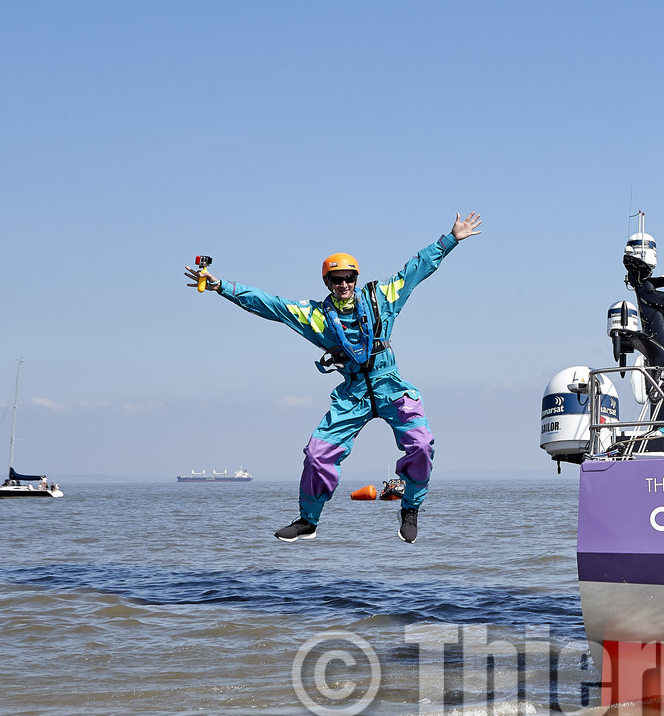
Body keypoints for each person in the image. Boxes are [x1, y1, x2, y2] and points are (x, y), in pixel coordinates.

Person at [184, 211, 482, 543]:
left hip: (391, 386)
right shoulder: (315, 316)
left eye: (348, 278)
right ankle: (308, 520)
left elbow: (417, 268)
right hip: (352, 394)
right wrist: (221, 286)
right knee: (316, 453)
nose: (343, 284)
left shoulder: (381, 297)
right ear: (327, 283)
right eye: (336, 279)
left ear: (356, 279)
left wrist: (451, 238)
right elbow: (269, 304)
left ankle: (410, 509)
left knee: (422, 444)